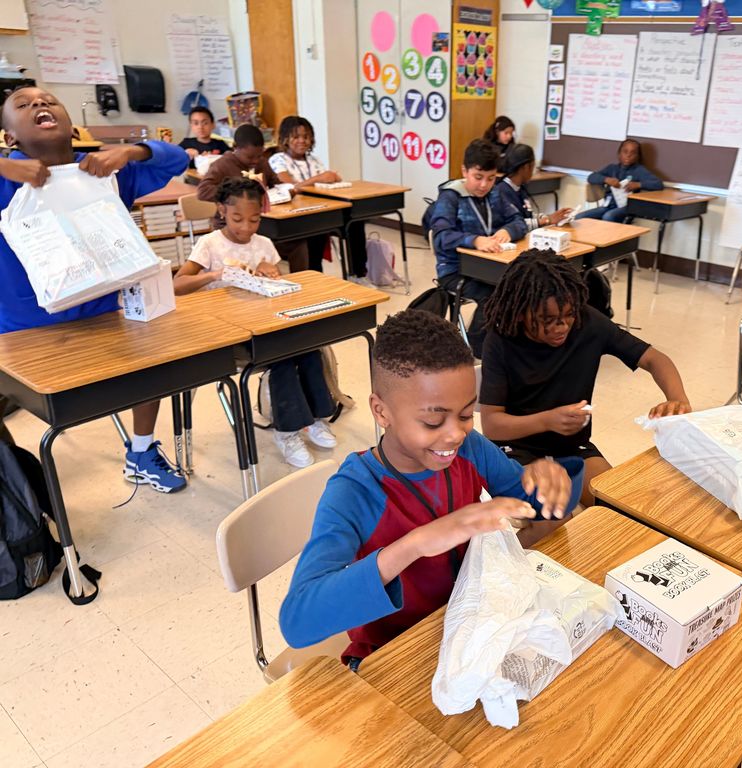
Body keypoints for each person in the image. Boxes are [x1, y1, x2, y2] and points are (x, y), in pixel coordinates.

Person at [279, 309, 581, 666]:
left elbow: (540, 505)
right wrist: (417, 543)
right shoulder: (355, 492)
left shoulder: (470, 449)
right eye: (433, 421)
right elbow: (298, 622)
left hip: (471, 625)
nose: (455, 434)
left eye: (466, 415)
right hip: (393, 652)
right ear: (381, 412)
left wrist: (553, 479)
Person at [0, 86, 187, 493]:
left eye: (48, 100)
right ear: (10, 137)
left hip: (104, 316)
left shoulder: (101, 171)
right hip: (25, 333)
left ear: (73, 128)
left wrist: (130, 152)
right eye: (24, 105)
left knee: (154, 359)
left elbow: (179, 158)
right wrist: (3, 167)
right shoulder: (4, 178)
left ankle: (141, 451)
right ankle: (15, 486)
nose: (40, 104)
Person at [480, 250, 691, 511]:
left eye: (568, 314)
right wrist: (548, 420)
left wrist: (677, 399)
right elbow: (492, 426)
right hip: (515, 449)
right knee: (554, 516)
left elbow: (655, 359)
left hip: (571, 447)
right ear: (522, 313)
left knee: (622, 509)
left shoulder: (587, 322)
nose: (562, 326)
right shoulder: (501, 340)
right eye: (548, 320)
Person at [173, 178, 337, 468]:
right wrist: (214, 275)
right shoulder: (210, 244)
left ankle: (315, 418)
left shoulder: (264, 244)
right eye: (237, 219)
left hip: (264, 324)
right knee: (282, 358)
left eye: (255, 219)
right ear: (222, 211)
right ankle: (287, 431)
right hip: (228, 332)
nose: (246, 228)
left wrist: (272, 273)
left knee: (310, 349)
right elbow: (178, 284)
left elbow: (279, 288)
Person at [429, 139, 527, 357]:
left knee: (523, 286)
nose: (484, 185)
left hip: (492, 267)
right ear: (465, 171)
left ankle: (507, 343)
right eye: (478, 177)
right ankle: (477, 350)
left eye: (491, 178)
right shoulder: (450, 197)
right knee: (494, 295)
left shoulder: (495, 193)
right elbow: (441, 236)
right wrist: (474, 240)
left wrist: (509, 230)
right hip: (456, 271)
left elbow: (519, 220)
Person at [197, 124, 310, 272]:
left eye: (259, 155)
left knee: (298, 243)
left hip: (260, 222)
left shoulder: (262, 163)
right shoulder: (222, 165)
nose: (255, 161)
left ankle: (298, 281)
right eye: (250, 157)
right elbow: (203, 191)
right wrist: (233, 194)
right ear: (235, 148)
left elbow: (276, 183)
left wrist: (287, 190)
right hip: (230, 225)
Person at [269, 115, 367, 277]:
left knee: (355, 221)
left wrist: (333, 179)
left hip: (320, 209)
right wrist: (318, 179)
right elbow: (288, 188)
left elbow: (325, 182)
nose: (302, 141)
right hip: (296, 214)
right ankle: (315, 276)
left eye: (306, 137)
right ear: (285, 139)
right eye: (296, 137)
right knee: (315, 230)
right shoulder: (278, 159)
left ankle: (358, 273)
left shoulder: (314, 160)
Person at [580, 138, 662, 223]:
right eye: (625, 152)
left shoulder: (639, 170)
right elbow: (591, 177)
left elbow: (658, 184)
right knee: (579, 217)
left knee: (608, 216)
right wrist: (606, 179)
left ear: (637, 156)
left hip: (626, 207)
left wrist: (638, 184)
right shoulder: (612, 168)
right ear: (619, 154)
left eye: (633, 153)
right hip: (607, 206)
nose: (628, 155)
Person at [497, 143, 572, 230]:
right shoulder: (502, 191)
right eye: (533, 166)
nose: (533, 171)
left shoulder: (520, 188)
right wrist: (547, 220)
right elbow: (514, 224)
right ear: (526, 167)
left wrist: (553, 217)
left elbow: (529, 215)